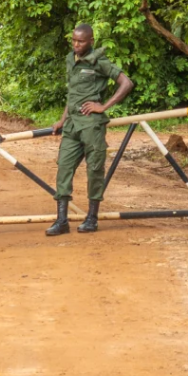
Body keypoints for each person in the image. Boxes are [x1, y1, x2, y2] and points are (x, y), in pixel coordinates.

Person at [46, 24, 132, 236]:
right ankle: (62, 221)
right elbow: (73, 94)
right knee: (63, 169)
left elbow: (126, 83)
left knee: (94, 170)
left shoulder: (99, 62)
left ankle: (92, 218)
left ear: (91, 41)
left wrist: (103, 106)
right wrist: (61, 119)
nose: (76, 44)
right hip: (72, 126)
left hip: (91, 126)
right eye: (74, 40)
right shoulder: (70, 59)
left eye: (81, 41)